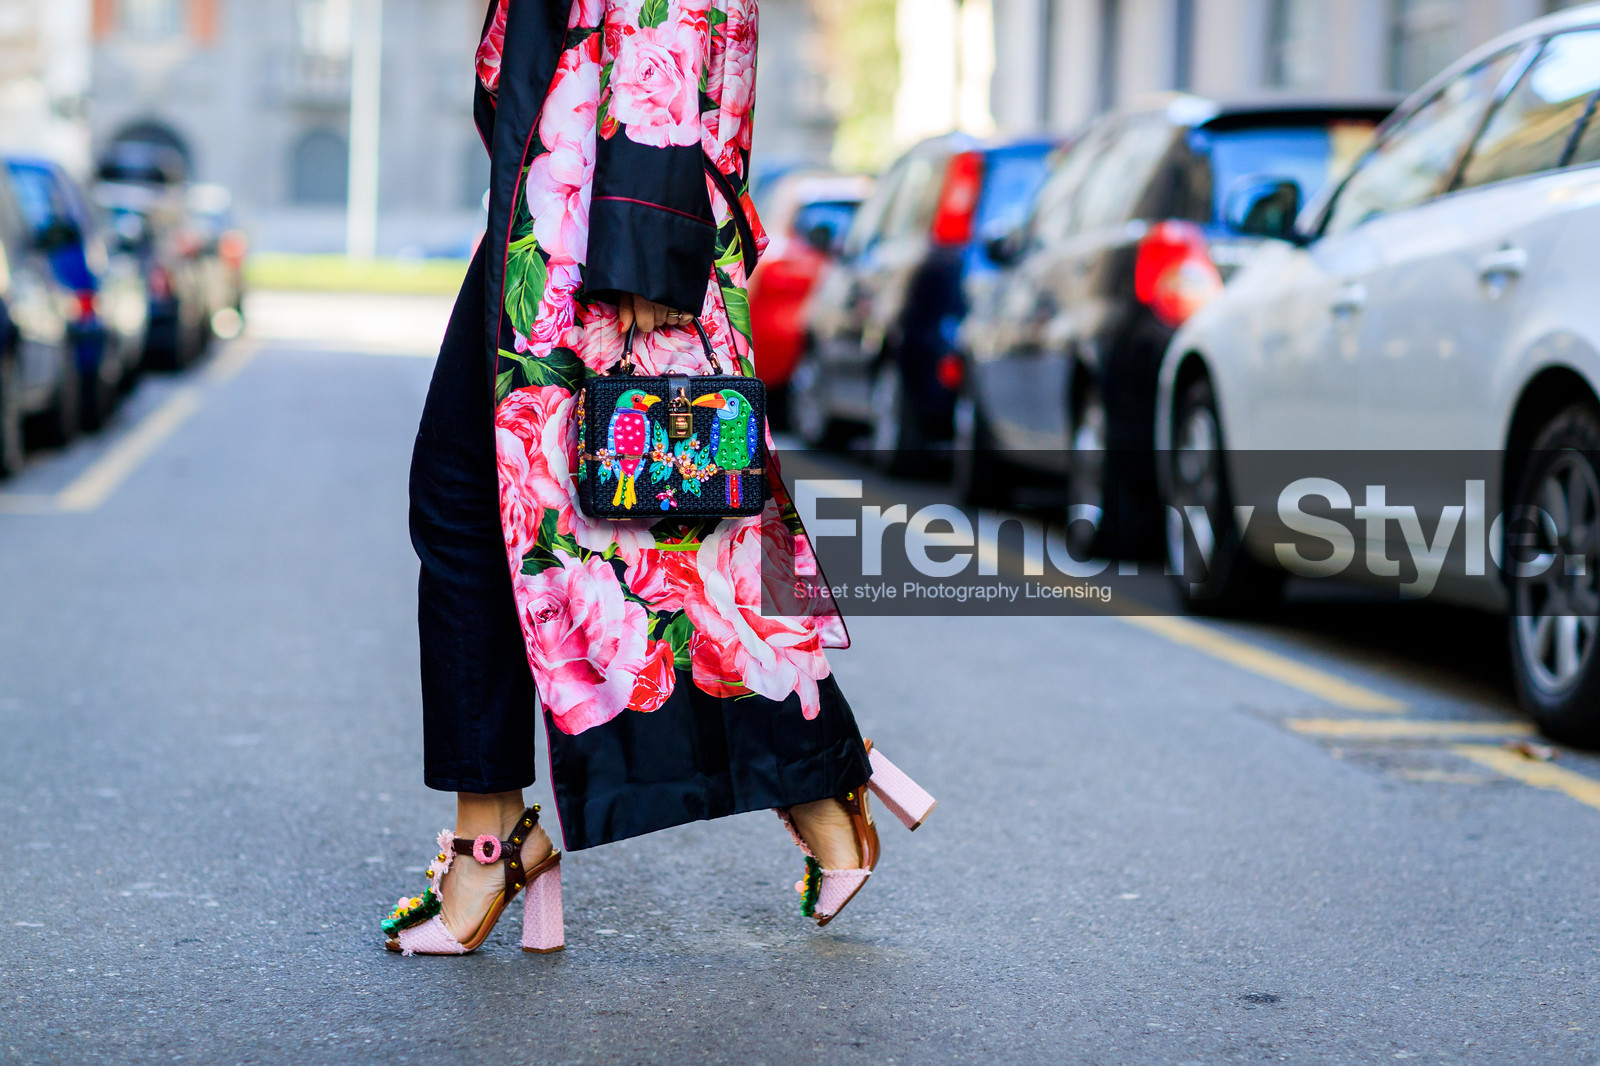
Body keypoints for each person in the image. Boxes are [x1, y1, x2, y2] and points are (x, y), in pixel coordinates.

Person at [384, 0, 935, 956]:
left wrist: (646, 226)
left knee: (647, 523)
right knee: (598, 521)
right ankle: (801, 772)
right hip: (564, 191)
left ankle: (801, 768)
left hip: (602, 207)